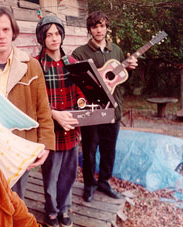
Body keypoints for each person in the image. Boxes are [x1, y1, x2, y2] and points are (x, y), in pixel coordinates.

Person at [0, 5, 55, 200]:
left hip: (21, 148)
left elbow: (42, 109)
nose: (1, 35)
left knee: (15, 202)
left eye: (6, 29)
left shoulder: (31, 66)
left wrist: (46, 144)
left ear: (13, 32)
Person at [72, 11, 138, 202]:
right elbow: (78, 82)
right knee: (90, 150)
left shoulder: (116, 50)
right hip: (92, 111)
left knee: (109, 149)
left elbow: (120, 79)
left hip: (114, 109)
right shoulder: (80, 53)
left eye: (102, 26)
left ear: (107, 27)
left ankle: (104, 182)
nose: (99, 30)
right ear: (90, 29)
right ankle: (89, 185)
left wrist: (130, 70)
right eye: (94, 26)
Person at [35, 15, 85, 227]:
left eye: (57, 33)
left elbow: (82, 93)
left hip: (71, 129)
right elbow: (34, 101)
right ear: (42, 38)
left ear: (62, 36)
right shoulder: (36, 65)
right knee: (51, 174)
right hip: (50, 130)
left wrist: (82, 105)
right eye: (49, 34)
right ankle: (52, 210)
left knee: (69, 174)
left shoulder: (73, 63)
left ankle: (64, 208)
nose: (54, 38)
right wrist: (53, 113)